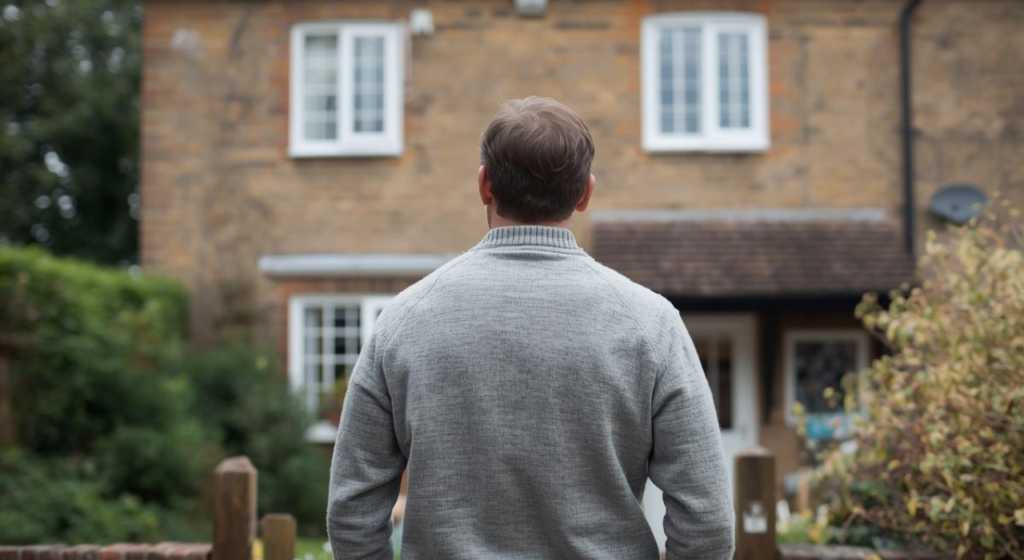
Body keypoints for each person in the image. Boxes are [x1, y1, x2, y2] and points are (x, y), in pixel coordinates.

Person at [327, 97, 734, 560]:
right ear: (585, 193)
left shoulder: (403, 322)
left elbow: (351, 513)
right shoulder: (651, 326)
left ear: (484, 185)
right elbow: (707, 522)